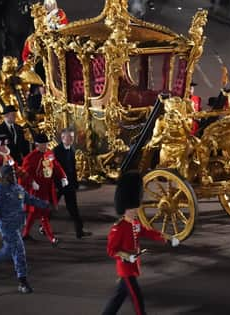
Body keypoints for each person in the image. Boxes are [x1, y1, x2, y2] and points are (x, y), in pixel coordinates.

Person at [102, 172, 179, 315]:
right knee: (137, 299)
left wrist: (167, 238)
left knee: (118, 298)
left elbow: (148, 232)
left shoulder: (135, 223)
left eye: (135, 208)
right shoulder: (118, 228)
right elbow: (111, 250)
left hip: (132, 266)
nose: (136, 211)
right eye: (132, 209)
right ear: (125, 209)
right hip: (126, 269)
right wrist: (125, 256)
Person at [0, 164, 49, 293]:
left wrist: (44, 204)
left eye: (13, 173)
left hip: (17, 225)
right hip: (7, 226)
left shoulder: (17, 188)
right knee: (19, 251)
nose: (13, 175)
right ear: (3, 176)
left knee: (7, 251)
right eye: (10, 174)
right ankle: (22, 282)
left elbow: (29, 199)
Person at [20, 134, 69, 245]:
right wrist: (32, 182)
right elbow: (24, 174)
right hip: (36, 190)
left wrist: (63, 176)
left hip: (46, 189)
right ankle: (51, 238)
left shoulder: (49, 154)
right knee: (42, 214)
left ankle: (25, 233)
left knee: (39, 213)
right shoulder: (30, 158)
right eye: (44, 144)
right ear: (38, 145)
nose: (46, 146)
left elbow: (55, 165)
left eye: (47, 143)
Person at [53, 128, 90, 239]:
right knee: (50, 206)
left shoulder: (71, 150)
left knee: (73, 208)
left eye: (72, 137)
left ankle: (79, 231)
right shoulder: (56, 151)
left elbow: (72, 169)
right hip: (59, 184)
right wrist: (56, 185)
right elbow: (54, 169)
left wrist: (75, 183)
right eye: (69, 137)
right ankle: (43, 227)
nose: (71, 139)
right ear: (63, 138)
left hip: (69, 185)